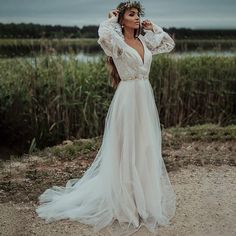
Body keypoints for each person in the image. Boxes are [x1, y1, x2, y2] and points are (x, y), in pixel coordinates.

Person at [36, 1, 176, 235]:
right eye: (132, 14)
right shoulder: (117, 44)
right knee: (125, 148)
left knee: (144, 146)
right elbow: (103, 34)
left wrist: (154, 27)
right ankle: (126, 204)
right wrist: (112, 19)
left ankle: (143, 200)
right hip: (128, 98)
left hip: (144, 98)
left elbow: (169, 44)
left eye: (138, 14)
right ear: (122, 20)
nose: (137, 18)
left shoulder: (144, 40)